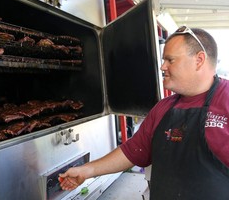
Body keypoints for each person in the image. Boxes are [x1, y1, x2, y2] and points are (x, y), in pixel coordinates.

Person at [59, 26, 229, 200]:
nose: (163, 67)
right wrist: (87, 170)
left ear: (199, 60)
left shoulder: (226, 101)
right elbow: (133, 150)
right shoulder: (163, 108)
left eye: (170, 60)